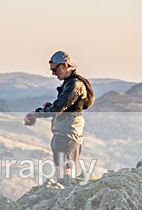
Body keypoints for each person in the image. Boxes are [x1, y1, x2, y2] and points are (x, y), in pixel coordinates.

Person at [24, 51, 93, 181]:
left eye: (55, 69)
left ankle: (65, 193)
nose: (53, 73)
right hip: (64, 130)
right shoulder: (69, 83)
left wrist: (36, 113)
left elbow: (58, 108)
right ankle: (61, 193)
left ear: (65, 65)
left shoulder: (75, 84)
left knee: (65, 169)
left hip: (68, 131)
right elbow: (64, 106)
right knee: (60, 167)